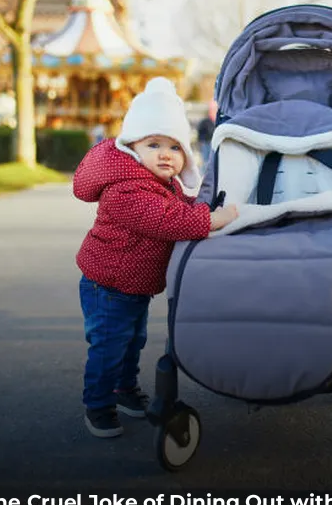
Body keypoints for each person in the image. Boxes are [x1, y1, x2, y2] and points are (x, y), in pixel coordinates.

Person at [73, 77, 238, 438]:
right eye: (154, 144)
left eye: (175, 147)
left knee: (133, 341)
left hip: (132, 286)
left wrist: (204, 206)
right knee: (108, 346)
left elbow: (179, 206)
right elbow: (166, 220)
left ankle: (124, 389)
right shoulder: (126, 188)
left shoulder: (162, 184)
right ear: (132, 148)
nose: (166, 154)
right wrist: (211, 219)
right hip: (108, 284)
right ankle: (98, 404)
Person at [197, 100, 217, 167]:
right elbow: (200, 133)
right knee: (206, 161)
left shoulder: (219, 121)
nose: (214, 111)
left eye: (215, 109)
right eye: (212, 109)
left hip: (215, 144)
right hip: (206, 143)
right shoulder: (205, 121)